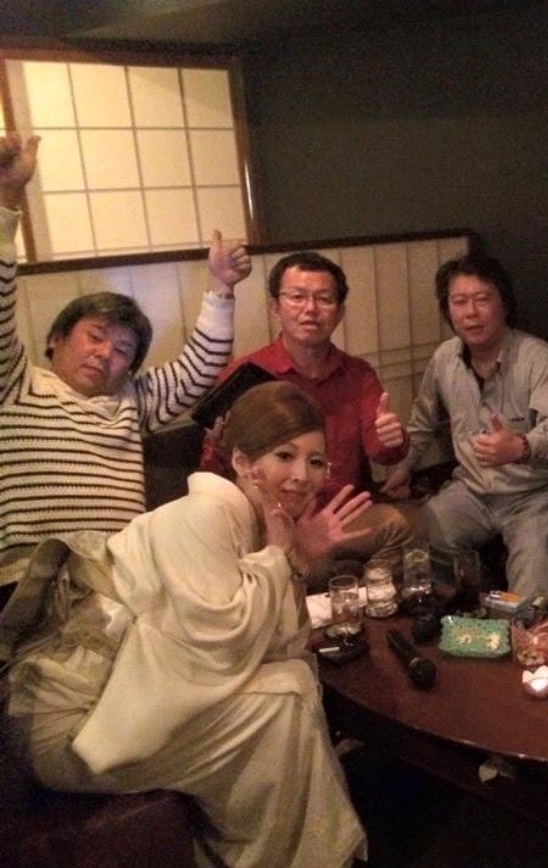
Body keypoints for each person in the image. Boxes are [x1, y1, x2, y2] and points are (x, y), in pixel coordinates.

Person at [0, 381, 370, 867]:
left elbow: (281, 644)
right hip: (67, 723)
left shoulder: (255, 526)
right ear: (242, 461)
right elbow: (221, 647)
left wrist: (296, 557)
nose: (302, 475)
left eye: (316, 461)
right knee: (284, 701)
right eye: (285, 455)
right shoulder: (203, 514)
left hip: (117, 701)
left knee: (293, 680)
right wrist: (281, 557)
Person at [0, 132, 250, 591]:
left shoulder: (132, 401)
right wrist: (6, 199)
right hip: (30, 580)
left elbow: (201, 366)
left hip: (119, 580)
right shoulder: (15, 382)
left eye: (122, 350)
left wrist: (221, 286)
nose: (105, 354)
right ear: (56, 339)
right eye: (95, 337)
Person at [199, 250, 415, 582]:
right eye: (297, 297)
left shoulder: (357, 373)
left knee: (407, 526)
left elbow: (383, 452)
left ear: (339, 312)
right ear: (276, 307)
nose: (310, 309)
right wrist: (219, 445)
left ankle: (366, 596)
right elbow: (213, 474)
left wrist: (393, 439)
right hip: (275, 520)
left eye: (324, 299)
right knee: (312, 566)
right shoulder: (246, 374)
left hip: (342, 514)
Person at [382, 253, 548, 600]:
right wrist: (403, 467)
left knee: (531, 579)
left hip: (536, 496)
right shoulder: (445, 358)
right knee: (422, 534)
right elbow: (423, 422)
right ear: (448, 310)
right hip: (471, 492)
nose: (470, 312)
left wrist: (520, 447)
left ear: (505, 304)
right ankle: (474, 612)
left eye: (482, 299)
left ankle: (521, 630)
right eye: (459, 302)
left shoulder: (537, 357)